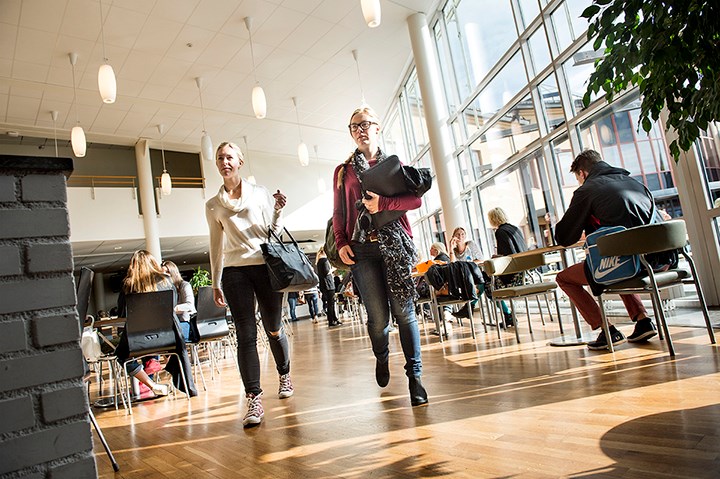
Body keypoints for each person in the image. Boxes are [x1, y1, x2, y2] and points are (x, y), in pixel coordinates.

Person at [332, 106, 428, 407]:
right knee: (378, 320)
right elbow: (338, 211)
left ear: (378, 128)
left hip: (396, 246)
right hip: (362, 249)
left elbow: (415, 199)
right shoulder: (343, 171)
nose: (361, 129)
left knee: (405, 313)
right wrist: (341, 241)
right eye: (355, 126)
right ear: (351, 132)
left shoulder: (394, 166)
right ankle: (382, 356)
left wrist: (383, 203)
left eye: (366, 124)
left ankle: (415, 378)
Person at [205, 141, 293, 427]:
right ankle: (253, 399)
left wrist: (278, 210)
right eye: (220, 158)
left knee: (273, 328)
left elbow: (273, 231)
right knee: (245, 334)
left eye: (229, 157)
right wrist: (215, 280)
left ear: (240, 161)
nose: (224, 161)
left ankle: (284, 373)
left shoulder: (259, 193)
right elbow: (215, 245)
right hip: (234, 272)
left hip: (264, 267)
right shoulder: (213, 205)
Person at [554, 149, 658, 350]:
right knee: (614, 259)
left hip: (630, 264)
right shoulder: (636, 184)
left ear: (583, 174)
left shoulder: (587, 190)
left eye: (578, 179)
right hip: (656, 260)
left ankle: (606, 329)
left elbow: (564, 237)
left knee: (564, 278)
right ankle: (643, 319)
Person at [115, 250, 197, 399]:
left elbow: (122, 315)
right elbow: (170, 309)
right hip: (168, 338)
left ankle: (152, 385)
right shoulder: (166, 282)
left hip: (138, 340)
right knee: (159, 344)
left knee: (121, 355)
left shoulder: (128, 286)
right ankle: (155, 362)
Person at [487, 207, 529, 328]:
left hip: (513, 276)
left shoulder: (500, 232)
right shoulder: (515, 228)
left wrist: (496, 257)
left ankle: (508, 315)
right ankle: (508, 315)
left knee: (487, 285)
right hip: (524, 273)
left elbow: (506, 256)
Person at [161, 260, 196, 342]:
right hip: (170, 325)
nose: (165, 275)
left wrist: (172, 310)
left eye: (167, 272)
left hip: (184, 323)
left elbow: (190, 305)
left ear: (173, 273)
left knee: (166, 340)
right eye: (162, 274)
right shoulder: (164, 288)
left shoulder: (184, 285)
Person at [316, 247, 342, 327]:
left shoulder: (318, 262)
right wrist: (333, 269)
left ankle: (334, 319)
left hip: (323, 285)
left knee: (330, 304)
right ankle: (331, 321)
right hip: (329, 285)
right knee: (331, 304)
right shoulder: (325, 261)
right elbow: (327, 272)